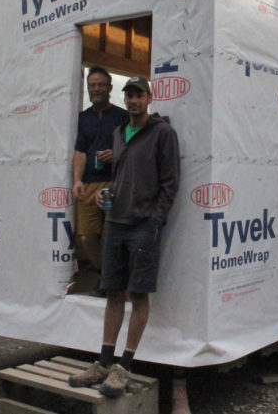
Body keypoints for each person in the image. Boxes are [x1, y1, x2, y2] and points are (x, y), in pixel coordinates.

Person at [68, 76, 180, 398]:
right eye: (129, 96)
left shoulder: (162, 134)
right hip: (115, 223)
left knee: (138, 295)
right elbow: (119, 177)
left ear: (149, 98)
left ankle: (125, 366)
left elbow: (170, 182)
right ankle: (103, 362)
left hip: (144, 225)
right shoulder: (119, 134)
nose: (134, 101)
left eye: (139, 95)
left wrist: (156, 220)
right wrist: (108, 196)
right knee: (113, 291)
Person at [72, 66, 129, 294]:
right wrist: (77, 180)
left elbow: (134, 149)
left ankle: (109, 281)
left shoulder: (122, 116)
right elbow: (80, 151)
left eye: (101, 84)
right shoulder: (82, 118)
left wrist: (116, 154)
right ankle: (105, 275)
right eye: (92, 85)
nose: (96, 88)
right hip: (89, 183)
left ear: (109, 88)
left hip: (113, 183)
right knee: (86, 238)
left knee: (110, 234)